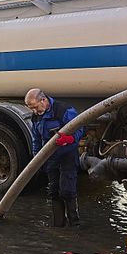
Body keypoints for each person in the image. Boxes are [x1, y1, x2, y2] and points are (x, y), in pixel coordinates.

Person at [25, 88, 85, 227]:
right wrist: (37, 159)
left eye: (35, 107)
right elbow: (36, 139)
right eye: (31, 108)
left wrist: (70, 139)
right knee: (53, 191)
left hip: (67, 155)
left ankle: (75, 225)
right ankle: (58, 225)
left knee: (67, 191)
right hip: (50, 157)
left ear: (43, 100)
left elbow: (80, 128)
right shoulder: (36, 116)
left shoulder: (63, 110)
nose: (34, 111)